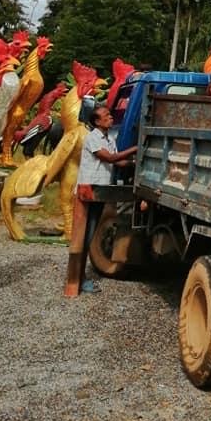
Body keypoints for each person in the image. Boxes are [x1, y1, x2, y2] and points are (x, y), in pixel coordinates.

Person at [73, 104, 137, 293]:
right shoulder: (93, 138)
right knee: (84, 236)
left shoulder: (109, 139)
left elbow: (118, 161)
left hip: (100, 191)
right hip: (88, 191)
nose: (110, 117)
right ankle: (78, 278)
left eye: (109, 114)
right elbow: (109, 158)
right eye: (106, 115)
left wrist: (134, 163)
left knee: (91, 233)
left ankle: (79, 276)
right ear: (97, 121)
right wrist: (135, 148)